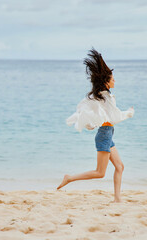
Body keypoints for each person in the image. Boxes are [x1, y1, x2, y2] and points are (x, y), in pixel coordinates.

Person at [56, 47, 135, 203]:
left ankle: (117, 199)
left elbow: (96, 114)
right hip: (105, 135)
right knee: (100, 172)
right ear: (106, 82)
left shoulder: (103, 96)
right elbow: (115, 117)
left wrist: (90, 123)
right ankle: (69, 178)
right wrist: (129, 113)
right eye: (113, 79)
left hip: (107, 134)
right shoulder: (106, 97)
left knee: (120, 166)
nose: (115, 81)